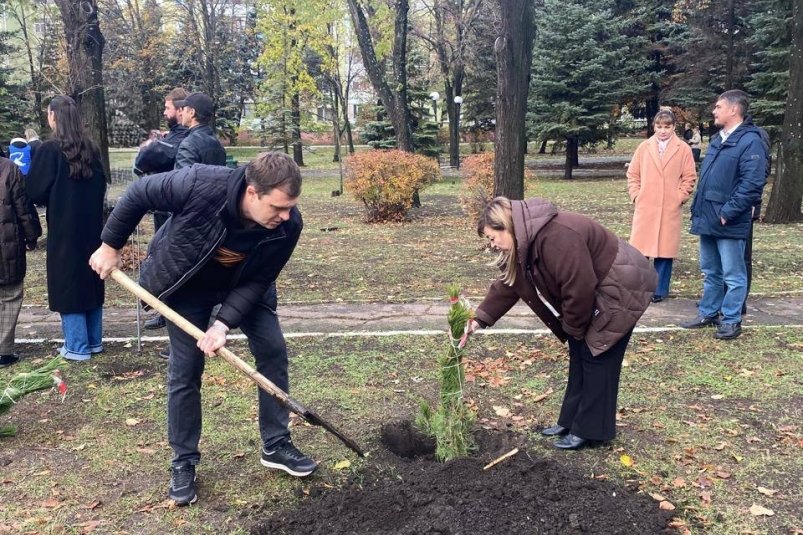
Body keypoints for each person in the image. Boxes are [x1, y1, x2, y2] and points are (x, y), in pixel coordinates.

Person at [89, 151, 316, 506]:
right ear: (252, 193)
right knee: (186, 369)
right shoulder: (200, 184)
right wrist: (109, 246)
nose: (285, 216)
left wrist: (223, 324)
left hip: (243, 284)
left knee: (272, 350)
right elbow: (139, 194)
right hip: (188, 283)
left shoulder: (288, 226)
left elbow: (259, 280)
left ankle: (276, 444)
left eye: (290, 207)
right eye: (278, 207)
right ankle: (184, 461)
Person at [461, 197, 656, 450]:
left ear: (506, 226)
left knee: (597, 355)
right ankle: (571, 420)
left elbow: (579, 287)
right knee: (579, 352)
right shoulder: (525, 241)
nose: (493, 245)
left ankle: (592, 431)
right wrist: (478, 320)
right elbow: (510, 285)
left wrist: (574, 328)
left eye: (492, 237)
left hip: (621, 287)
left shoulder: (556, 237)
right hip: (596, 289)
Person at [681, 90, 767, 340]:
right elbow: (709, 180)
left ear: (733, 110)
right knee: (711, 270)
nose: (714, 111)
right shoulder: (719, 139)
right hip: (707, 217)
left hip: (729, 219)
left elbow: (752, 183)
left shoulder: (751, 141)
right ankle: (709, 312)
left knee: (733, 273)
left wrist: (728, 211)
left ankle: (731, 320)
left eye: (718, 107)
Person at [26, 95, 107, 361]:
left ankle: (77, 347)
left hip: (64, 229)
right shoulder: (92, 149)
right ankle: (93, 341)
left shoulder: (50, 150)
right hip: (92, 228)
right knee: (92, 279)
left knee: (68, 284)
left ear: (53, 116)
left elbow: (35, 191)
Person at [133, 87, 190, 333]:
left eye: (167, 108)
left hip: (175, 211)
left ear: (180, 110)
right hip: (165, 209)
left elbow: (146, 160)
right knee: (163, 259)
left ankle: (175, 317)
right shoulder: (176, 136)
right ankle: (165, 310)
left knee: (173, 262)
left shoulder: (185, 139)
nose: (164, 112)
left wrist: (152, 145)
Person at [627, 110, 697, 303]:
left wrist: (679, 197)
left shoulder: (683, 148)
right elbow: (633, 174)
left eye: (667, 126)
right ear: (654, 127)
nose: (663, 131)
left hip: (669, 207)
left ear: (674, 127)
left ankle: (659, 290)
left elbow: (689, 177)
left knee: (664, 252)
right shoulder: (644, 147)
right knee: (641, 252)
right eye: (659, 126)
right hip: (646, 205)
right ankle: (639, 288)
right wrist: (636, 196)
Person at [0, 156, 42, 368]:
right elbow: (23, 208)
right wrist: (32, 235)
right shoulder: (9, 168)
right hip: (6, 246)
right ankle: (4, 351)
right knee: (10, 295)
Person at [173, 92, 226, 169]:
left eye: (183, 109)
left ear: (192, 112)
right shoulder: (217, 143)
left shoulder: (189, 145)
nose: (181, 113)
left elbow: (183, 178)